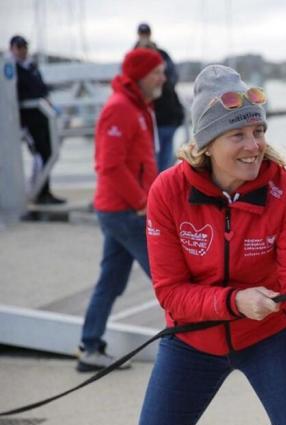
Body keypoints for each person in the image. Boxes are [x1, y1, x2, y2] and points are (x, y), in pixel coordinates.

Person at [136, 65, 286, 425]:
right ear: (207, 143)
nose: (254, 146)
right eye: (237, 134)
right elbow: (171, 294)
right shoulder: (167, 191)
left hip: (271, 335)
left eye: (259, 131)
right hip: (192, 340)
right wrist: (235, 301)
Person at [76, 48, 166, 371]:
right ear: (141, 75)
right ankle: (197, 343)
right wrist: (144, 203)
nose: (163, 77)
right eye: (158, 71)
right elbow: (109, 165)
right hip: (126, 212)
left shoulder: (137, 107)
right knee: (166, 275)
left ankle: (90, 346)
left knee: (112, 280)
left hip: (123, 210)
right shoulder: (120, 109)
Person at [9, 35, 65, 204]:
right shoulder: (10, 70)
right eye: (18, 47)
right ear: (12, 49)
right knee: (39, 156)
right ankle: (36, 191)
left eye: (24, 46)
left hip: (42, 118)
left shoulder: (32, 67)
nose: (22, 50)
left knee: (48, 152)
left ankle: (44, 191)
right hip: (27, 121)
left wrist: (52, 107)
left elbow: (42, 90)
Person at [135, 22, 185, 172]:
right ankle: (157, 189)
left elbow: (172, 77)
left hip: (167, 114)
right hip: (151, 116)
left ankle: (161, 188)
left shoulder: (162, 55)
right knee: (152, 158)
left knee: (165, 157)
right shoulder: (135, 56)